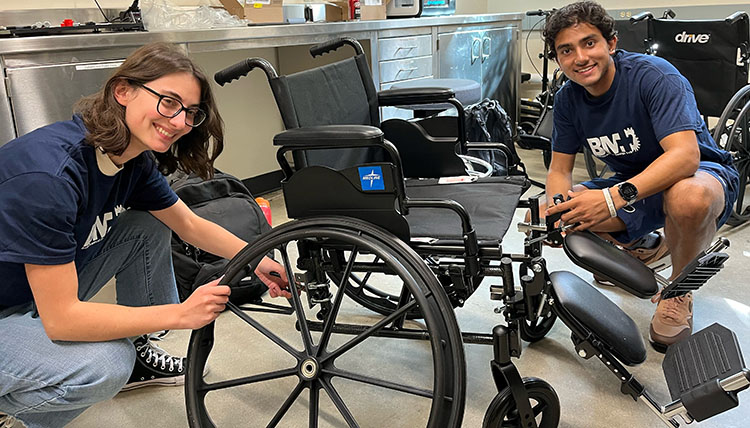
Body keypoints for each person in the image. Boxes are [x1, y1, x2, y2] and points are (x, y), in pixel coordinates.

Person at [0, 42, 291, 428]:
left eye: (191, 113)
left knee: (148, 222)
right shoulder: (50, 177)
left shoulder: (129, 158)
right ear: (123, 90)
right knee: (105, 364)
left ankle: (139, 345)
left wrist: (255, 256)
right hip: (21, 310)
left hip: (27, 295)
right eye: (168, 102)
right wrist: (182, 313)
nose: (180, 122)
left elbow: (187, 224)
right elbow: (62, 319)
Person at [541, 2, 739, 351]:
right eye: (566, 50)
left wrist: (611, 199)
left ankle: (679, 289)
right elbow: (559, 170)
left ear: (611, 44)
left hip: (701, 174)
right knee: (545, 212)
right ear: (558, 59)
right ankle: (643, 247)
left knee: (686, 197)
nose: (580, 58)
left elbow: (685, 157)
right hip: (635, 182)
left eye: (590, 43)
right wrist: (559, 211)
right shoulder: (568, 99)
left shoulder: (653, 76)